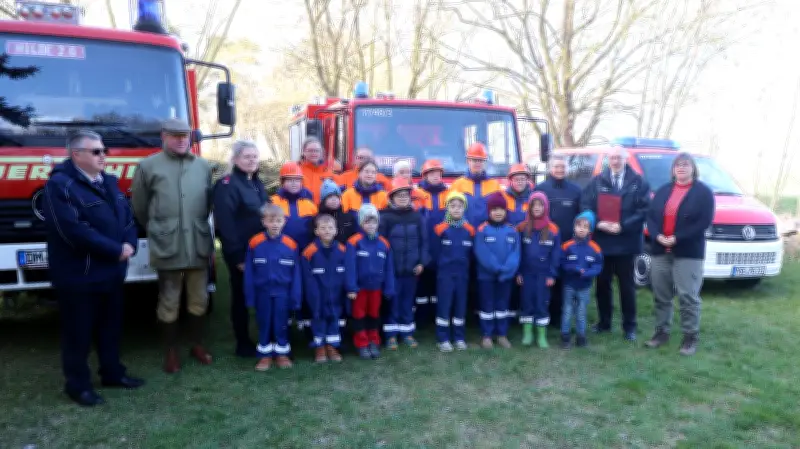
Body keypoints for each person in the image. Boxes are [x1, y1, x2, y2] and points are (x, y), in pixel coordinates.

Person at [43, 130, 144, 407]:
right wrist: (116, 250)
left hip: (111, 273)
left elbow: (127, 218)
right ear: (77, 155)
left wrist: (130, 243)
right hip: (79, 276)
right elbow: (73, 231)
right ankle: (78, 386)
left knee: (110, 329)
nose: (104, 156)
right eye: (97, 151)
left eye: (104, 151)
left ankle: (113, 373)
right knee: (78, 334)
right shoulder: (59, 186)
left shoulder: (109, 182)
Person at [130, 118, 214, 373]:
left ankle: (197, 345)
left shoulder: (203, 166)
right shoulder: (148, 166)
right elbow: (140, 207)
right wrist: (161, 227)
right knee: (169, 301)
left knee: (199, 300)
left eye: (184, 135)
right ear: (163, 136)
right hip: (168, 244)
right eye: (175, 135)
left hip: (197, 243)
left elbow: (208, 203)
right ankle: (171, 352)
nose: (180, 139)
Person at [645, 153, 714, 356]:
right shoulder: (663, 191)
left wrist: (678, 238)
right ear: (673, 169)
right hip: (660, 250)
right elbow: (651, 218)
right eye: (678, 165)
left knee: (688, 296)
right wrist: (657, 236)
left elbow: (703, 222)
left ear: (693, 168)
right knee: (661, 295)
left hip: (688, 252)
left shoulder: (703, 193)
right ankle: (661, 332)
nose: (681, 168)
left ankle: (690, 337)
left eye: (686, 164)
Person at [581, 145, 651, 341]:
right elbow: (585, 204)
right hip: (603, 241)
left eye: (619, 158)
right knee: (602, 284)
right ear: (608, 160)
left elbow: (644, 210)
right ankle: (604, 323)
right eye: (612, 158)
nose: (615, 161)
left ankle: (630, 327)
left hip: (627, 242)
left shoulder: (639, 183)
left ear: (625, 159)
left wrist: (623, 226)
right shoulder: (597, 181)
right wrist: (598, 222)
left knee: (626, 286)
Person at [212, 140, 269, 358]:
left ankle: (263, 336)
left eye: (255, 156)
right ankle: (243, 343)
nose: (252, 160)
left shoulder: (256, 182)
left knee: (258, 293)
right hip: (241, 252)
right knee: (241, 296)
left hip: (260, 249)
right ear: (235, 159)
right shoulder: (227, 185)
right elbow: (226, 224)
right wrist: (237, 257)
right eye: (247, 156)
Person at [244, 204, 302, 371]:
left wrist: (295, 297)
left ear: (284, 222)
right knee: (264, 322)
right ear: (264, 222)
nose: (275, 224)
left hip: (283, 293)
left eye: (278, 220)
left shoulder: (291, 245)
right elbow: (249, 273)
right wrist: (250, 296)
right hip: (262, 292)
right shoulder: (255, 243)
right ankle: (265, 355)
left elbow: (296, 274)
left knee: (281, 322)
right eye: (271, 221)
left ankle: (282, 353)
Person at [380, 178, 430, 350]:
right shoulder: (385, 217)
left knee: (408, 302)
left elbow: (425, 242)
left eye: (406, 195)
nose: (402, 198)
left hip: (412, 269)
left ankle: (407, 333)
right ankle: (391, 335)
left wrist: (422, 262)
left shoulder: (417, 217)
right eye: (399, 195)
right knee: (392, 302)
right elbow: (382, 244)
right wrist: (385, 267)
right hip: (392, 270)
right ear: (391, 197)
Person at [534, 153, 583, 328]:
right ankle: (549, 316)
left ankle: (566, 315)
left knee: (567, 280)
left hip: (570, 244)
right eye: (556, 167)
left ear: (567, 169)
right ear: (549, 169)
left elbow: (581, 216)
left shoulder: (576, 190)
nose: (560, 170)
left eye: (563, 167)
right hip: (546, 243)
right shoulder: (540, 189)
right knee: (549, 280)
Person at [345, 204, 396, 360]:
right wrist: (351, 287)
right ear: (361, 224)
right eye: (367, 222)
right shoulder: (354, 242)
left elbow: (389, 268)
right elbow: (350, 266)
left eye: (374, 222)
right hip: (360, 289)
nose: (371, 225)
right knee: (359, 315)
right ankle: (361, 343)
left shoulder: (384, 243)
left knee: (374, 314)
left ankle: (373, 341)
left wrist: (389, 287)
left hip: (376, 288)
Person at [474, 192, 521, 349]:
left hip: (505, 277)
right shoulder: (482, 229)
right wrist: (496, 268)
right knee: (487, 305)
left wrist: (507, 270)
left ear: (506, 211)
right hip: (486, 276)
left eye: (501, 209)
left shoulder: (512, 230)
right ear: (489, 211)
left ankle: (501, 334)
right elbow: (482, 252)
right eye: (494, 209)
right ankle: (487, 335)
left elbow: (516, 253)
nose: (498, 212)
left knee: (503, 305)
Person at [431, 191, 475, 352]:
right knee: (444, 305)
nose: (456, 209)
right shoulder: (440, 229)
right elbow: (435, 252)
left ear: (464, 209)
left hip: (462, 274)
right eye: (453, 206)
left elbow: (471, 254)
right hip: (445, 275)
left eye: (460, 206)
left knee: (460, 306)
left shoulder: (469, 230)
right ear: (447, 208)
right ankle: (442, 338)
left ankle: (459, 337)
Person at [516, 192, 560, 348]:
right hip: (526, 273)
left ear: (545, 207)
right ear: (529, 207)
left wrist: (552, 274)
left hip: (544, 274)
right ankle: (528, 334)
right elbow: (518, 251)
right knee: (527, 301)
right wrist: (519, 272)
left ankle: (541, 335)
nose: (537, 208)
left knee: (542, 302)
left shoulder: (553, 229)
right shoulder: (522, 227)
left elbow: (556, 254)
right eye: (533, 205)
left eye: (540, 205)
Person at [301, 214, 348, 363]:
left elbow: (347, 271)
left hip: (336, 294)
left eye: (330, 228)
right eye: (323, 228)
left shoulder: (342, 250)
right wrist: (312, 295)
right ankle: (320, 347)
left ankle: (332, 346)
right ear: (316, 231)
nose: (327, 231)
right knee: (318, 319)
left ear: (336, 231)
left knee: (334, 319)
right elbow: (307, 277)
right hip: (317, 295)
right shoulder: (309, 251)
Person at [560, 211, 603, 349]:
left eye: (585, 226)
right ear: (574, 227)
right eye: (579, 225)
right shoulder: (567, 246)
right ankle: (565, 337)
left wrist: (588, 273)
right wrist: (574, 268)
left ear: (590, 230)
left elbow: (598, 266)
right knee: (567, 310)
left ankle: (581, 337)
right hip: (569, 285)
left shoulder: (595, 248)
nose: (581, 229)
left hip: (585, 286)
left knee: (581, 312)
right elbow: (562, 263)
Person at [416, 159, 450, 317]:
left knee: (439, 280)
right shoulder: (416, 194)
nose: (436, 176)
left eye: (438, 173)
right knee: (422, 281)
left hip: (442, 242)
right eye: (432, 173)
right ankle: (422, 316)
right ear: (425, 175)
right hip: (423, 241)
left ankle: (436, 313)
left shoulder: (448, 193)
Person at [450, 142, 501, 226]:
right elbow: (449, 211)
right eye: (474, 160)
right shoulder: (458, 184)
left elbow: (501, 210)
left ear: (485, 162)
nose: (478, 163)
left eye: (480, 160)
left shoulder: (495, 185)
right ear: (468, 161)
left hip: (487, 232)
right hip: (464, 232)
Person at [271, 161, 317, 252]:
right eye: (289, 180)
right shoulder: (273, 202)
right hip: (279, 251)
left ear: (301, 182)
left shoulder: (310, 204)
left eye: (297, 180)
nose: (293, 183)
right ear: (282, 182)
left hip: (305, 252)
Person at [341, 159, 389, 223]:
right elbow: (342, 217)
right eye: (366, 171)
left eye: (373, 172)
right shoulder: (347, 194)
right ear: (359, 173)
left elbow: (386, 219)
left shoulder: (384, 195)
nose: (370, 174)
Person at [313, 178, 357, 244]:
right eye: (330, 197)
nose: (334, 200)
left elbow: (354, 239)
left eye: (336, 197)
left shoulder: (348, 218)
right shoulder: (316, 219)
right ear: (323, 200)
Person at [298, 137, 337, 204]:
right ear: (304, 152)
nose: (314, 153)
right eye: (310, 150)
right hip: (302, 212)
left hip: (324, 212)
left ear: (321, 152)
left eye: (316, 150)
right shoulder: (296, 171)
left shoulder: (329, 173)